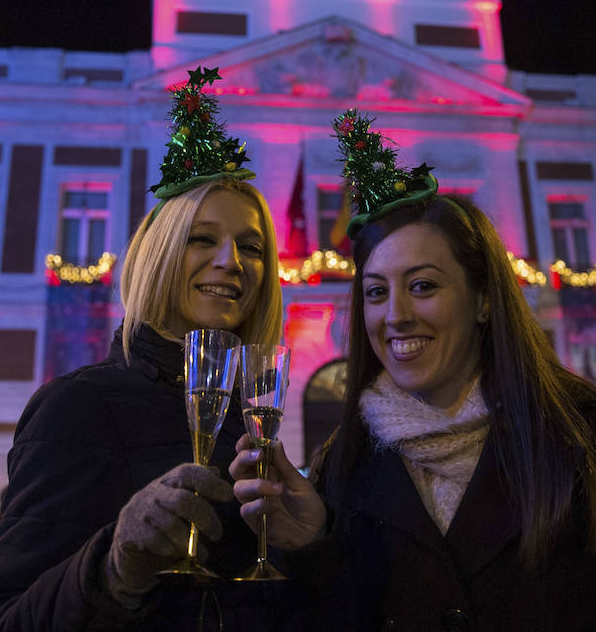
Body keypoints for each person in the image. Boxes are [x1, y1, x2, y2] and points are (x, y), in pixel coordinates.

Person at [231, 108, 596, 632]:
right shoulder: (343, 464)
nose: (396, 315)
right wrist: (312, 549)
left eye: (423, 285)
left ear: (483, 300)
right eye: (376, 292)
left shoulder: (578, 434)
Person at [0, 68, 285, 631]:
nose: (231, 261)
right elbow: (9, 617)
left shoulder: (245, 421)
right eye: (202, 239)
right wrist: (114, 566)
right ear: (157, 255)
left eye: (250, 246)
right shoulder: (78, 406)